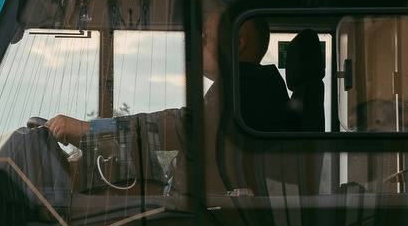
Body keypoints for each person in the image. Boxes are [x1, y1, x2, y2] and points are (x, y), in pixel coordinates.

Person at [45, 14, 289, 146]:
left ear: (237, 44)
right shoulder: (250, 87)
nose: (197, 45)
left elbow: (169, 128)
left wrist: (90, 129)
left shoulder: (247, 92)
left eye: (205, 37)